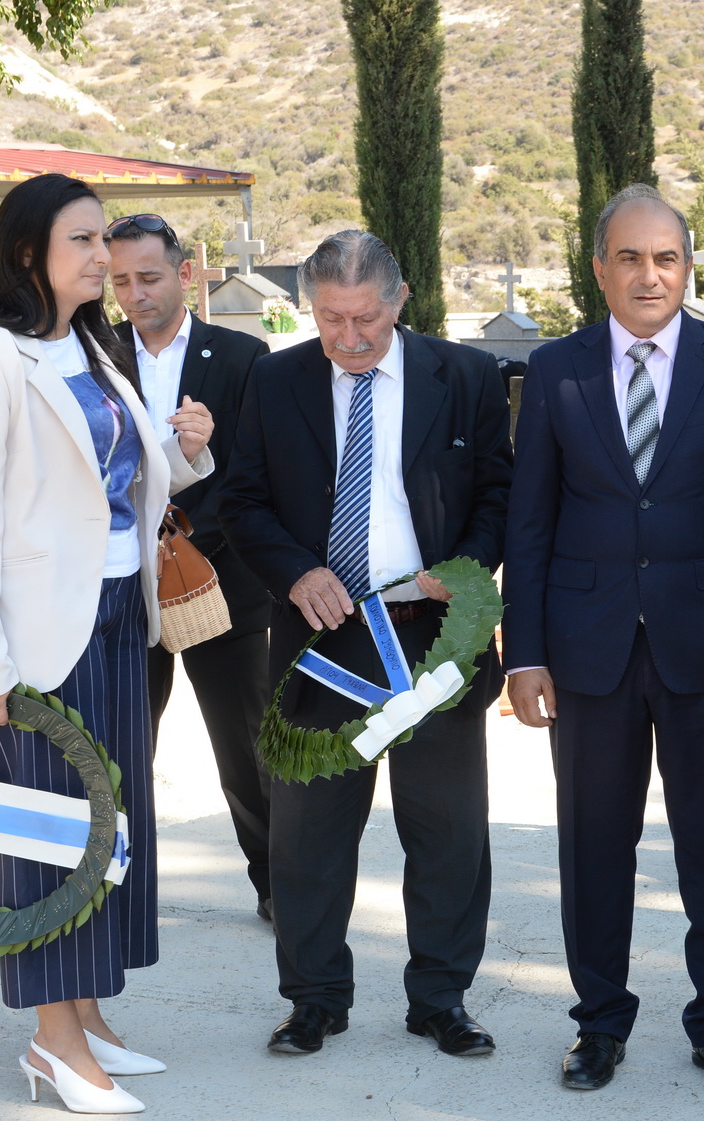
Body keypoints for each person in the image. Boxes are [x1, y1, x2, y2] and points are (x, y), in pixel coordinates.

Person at [0, 174, 215, 1114]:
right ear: (26, 253)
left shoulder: (90, 346)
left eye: (104, 240)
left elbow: (124, 476)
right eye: (83, 240)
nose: (103, 257)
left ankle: (85, 1013)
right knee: (51, 832)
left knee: (110, 823)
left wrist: (190, 450)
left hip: (116, 617)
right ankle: (52, 1043)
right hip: (37, 635)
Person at [502, 184, 704, 1094]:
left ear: (688, 266)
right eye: (628, 257)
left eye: (664, 257)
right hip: (586, 651)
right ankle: (598, 1025)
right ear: (598, 269)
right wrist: (524, 651)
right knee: (593, 846)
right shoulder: (557, 370)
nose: (648, 274)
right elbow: (531, 522)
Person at [219, 229, 511, 1058]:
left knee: (448, 828)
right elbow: (244, 501)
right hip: (322, 639)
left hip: (431, 639)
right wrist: (296, 572)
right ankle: (313, 999)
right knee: (308, 830)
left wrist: (464, 567)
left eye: (365, 321)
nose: (347, 339)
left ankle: (441, 998)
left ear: (399, 300)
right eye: (329, 319)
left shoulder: (467, 376)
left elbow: (500, 489)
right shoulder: (275, 378)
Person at [105, 212, 274, 922]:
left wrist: (192, 519)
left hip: (221, 581)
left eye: (148, 277)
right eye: (120, 280)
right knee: (117, 750)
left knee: (247, 750)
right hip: (119, 583)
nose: (134, 294)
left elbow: (260, 472)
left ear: (184, 273)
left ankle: (279, 884)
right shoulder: (90, 353)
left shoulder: (242, 356)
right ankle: (113, 888)